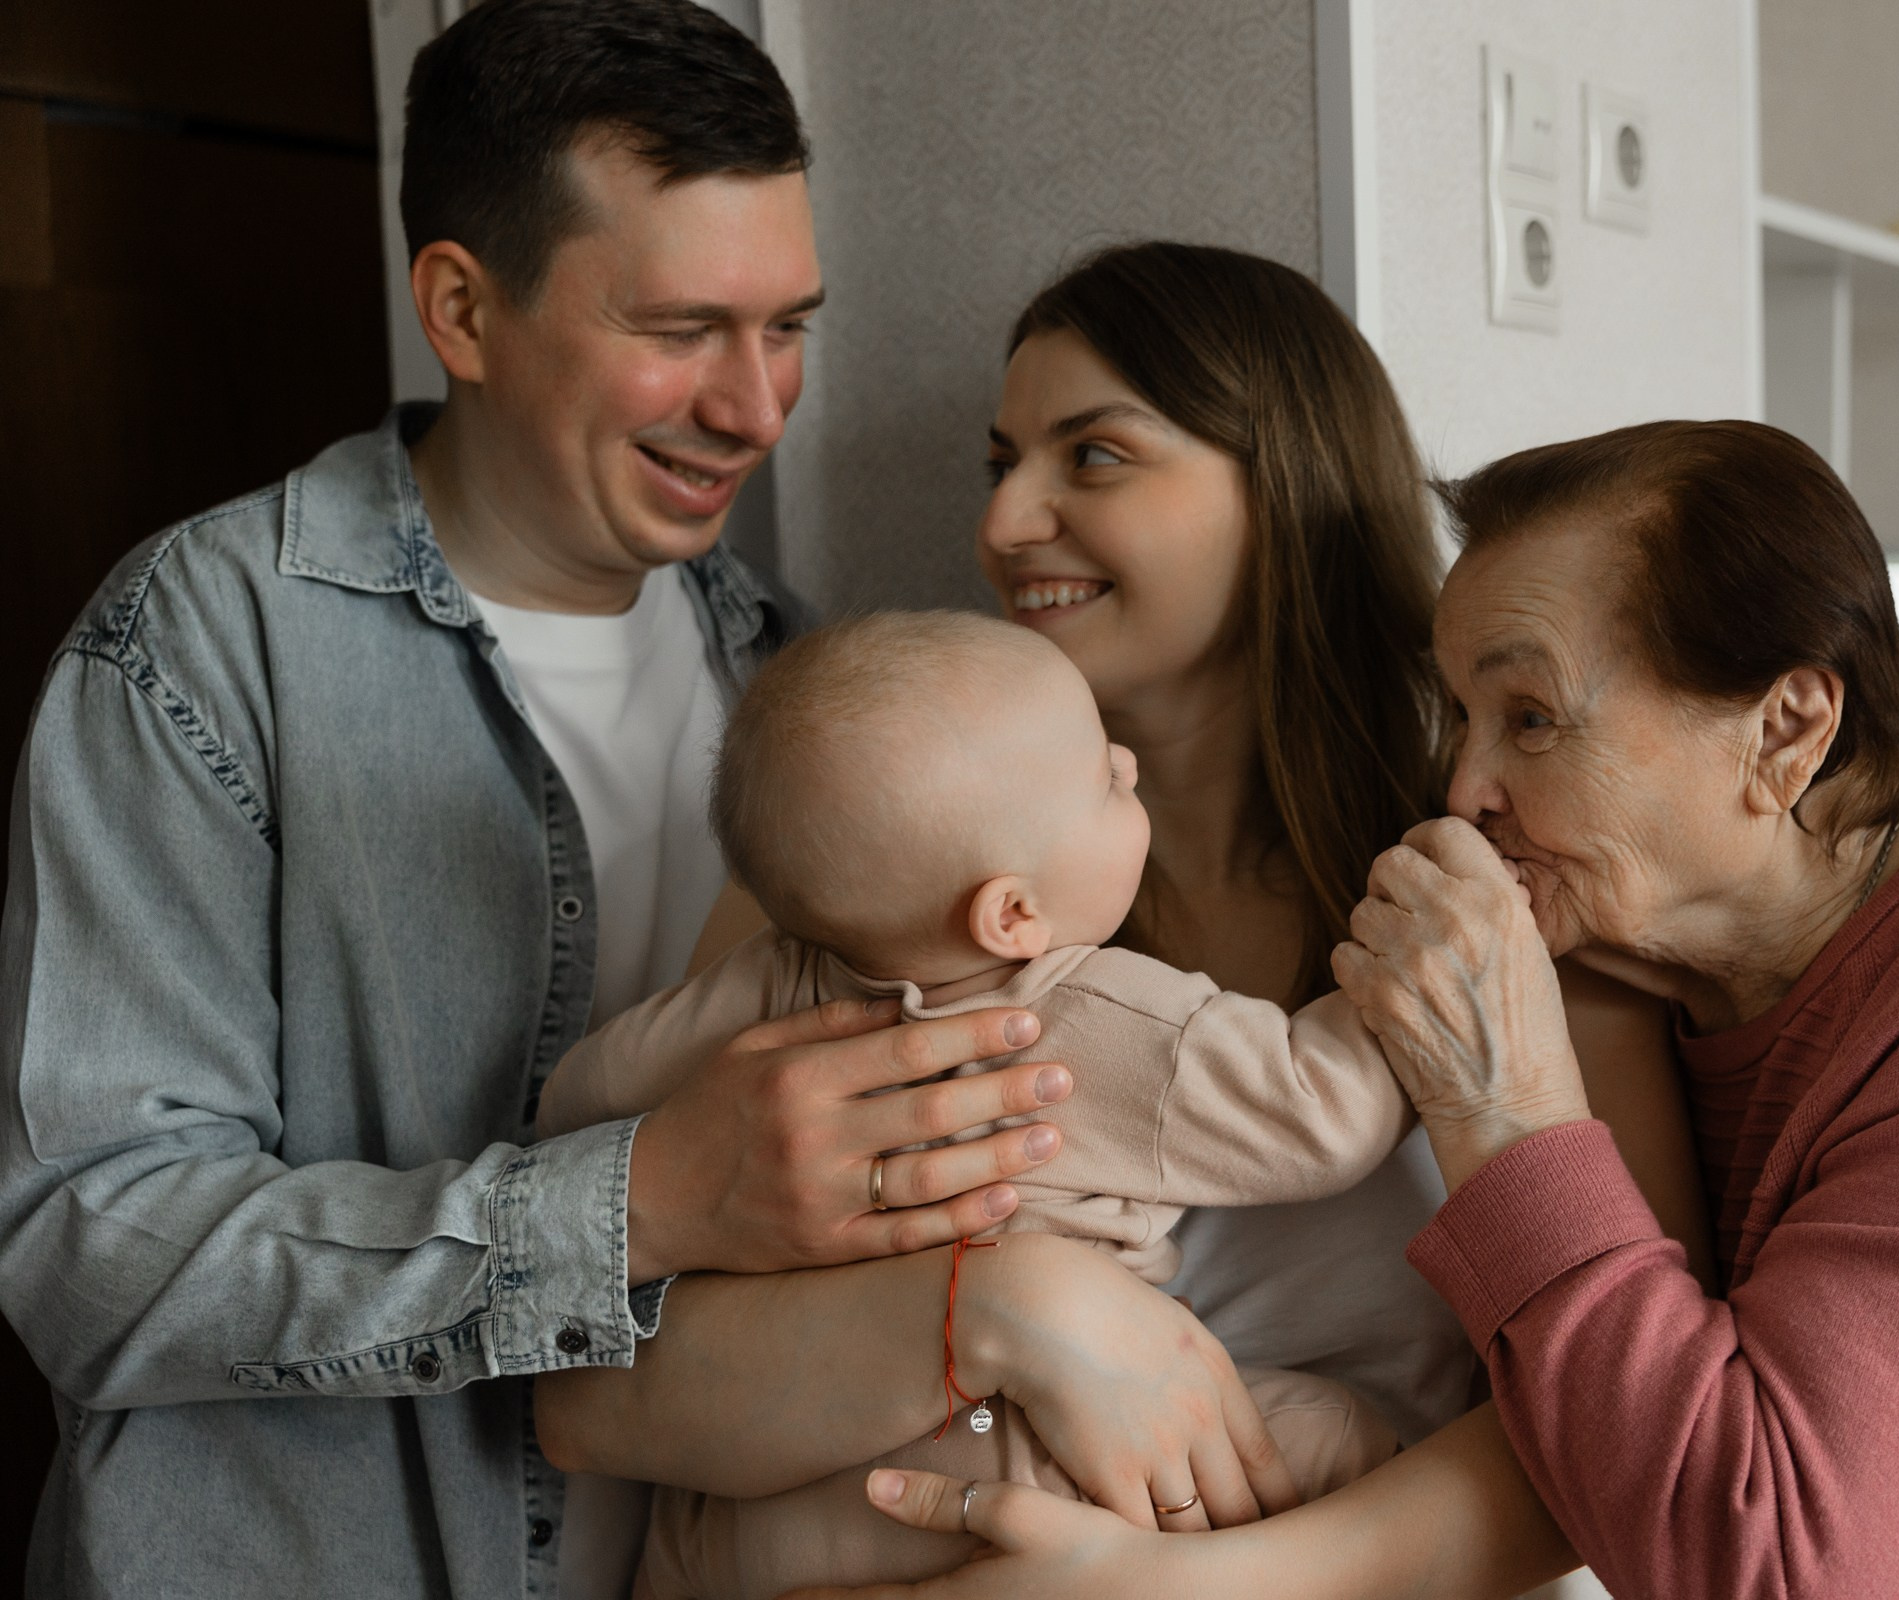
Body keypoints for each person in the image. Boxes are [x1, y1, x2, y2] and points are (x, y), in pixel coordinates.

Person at [827, 421, 1899, 1600]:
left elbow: (1779, 1567)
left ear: (1784, 732)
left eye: (1531, 716)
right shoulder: (1653, 956)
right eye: (1461, 715)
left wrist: (1504, 1109)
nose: (1463, 786)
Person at [0, 5, 1084, 1595]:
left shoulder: (803, 682)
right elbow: (95, 1252)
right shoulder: (199, 646)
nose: (757, 405)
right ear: (461, 305)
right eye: (679, 326)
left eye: (789, 324)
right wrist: (637, 1201)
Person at [533, 246, 1710, 1579]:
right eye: (1002, 463)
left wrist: (1191, 1586)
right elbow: (593, 1396)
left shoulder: (1508, 898)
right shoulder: (859, 888)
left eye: (1093, 456)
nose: (1006, 521)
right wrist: (1009, 1310)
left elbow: (1624, 1441)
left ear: (1288, 488)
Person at [545, 610, 1424, 1595]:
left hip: (753, 1509)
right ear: (1013, 915)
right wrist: (1414, 963)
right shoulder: (1095, 1014)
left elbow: (587, 1097)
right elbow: (1323, 1113)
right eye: (1105, 778)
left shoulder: (764, 986)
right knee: (1351, 1440)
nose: (1128, 766)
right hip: (1010, 1459)